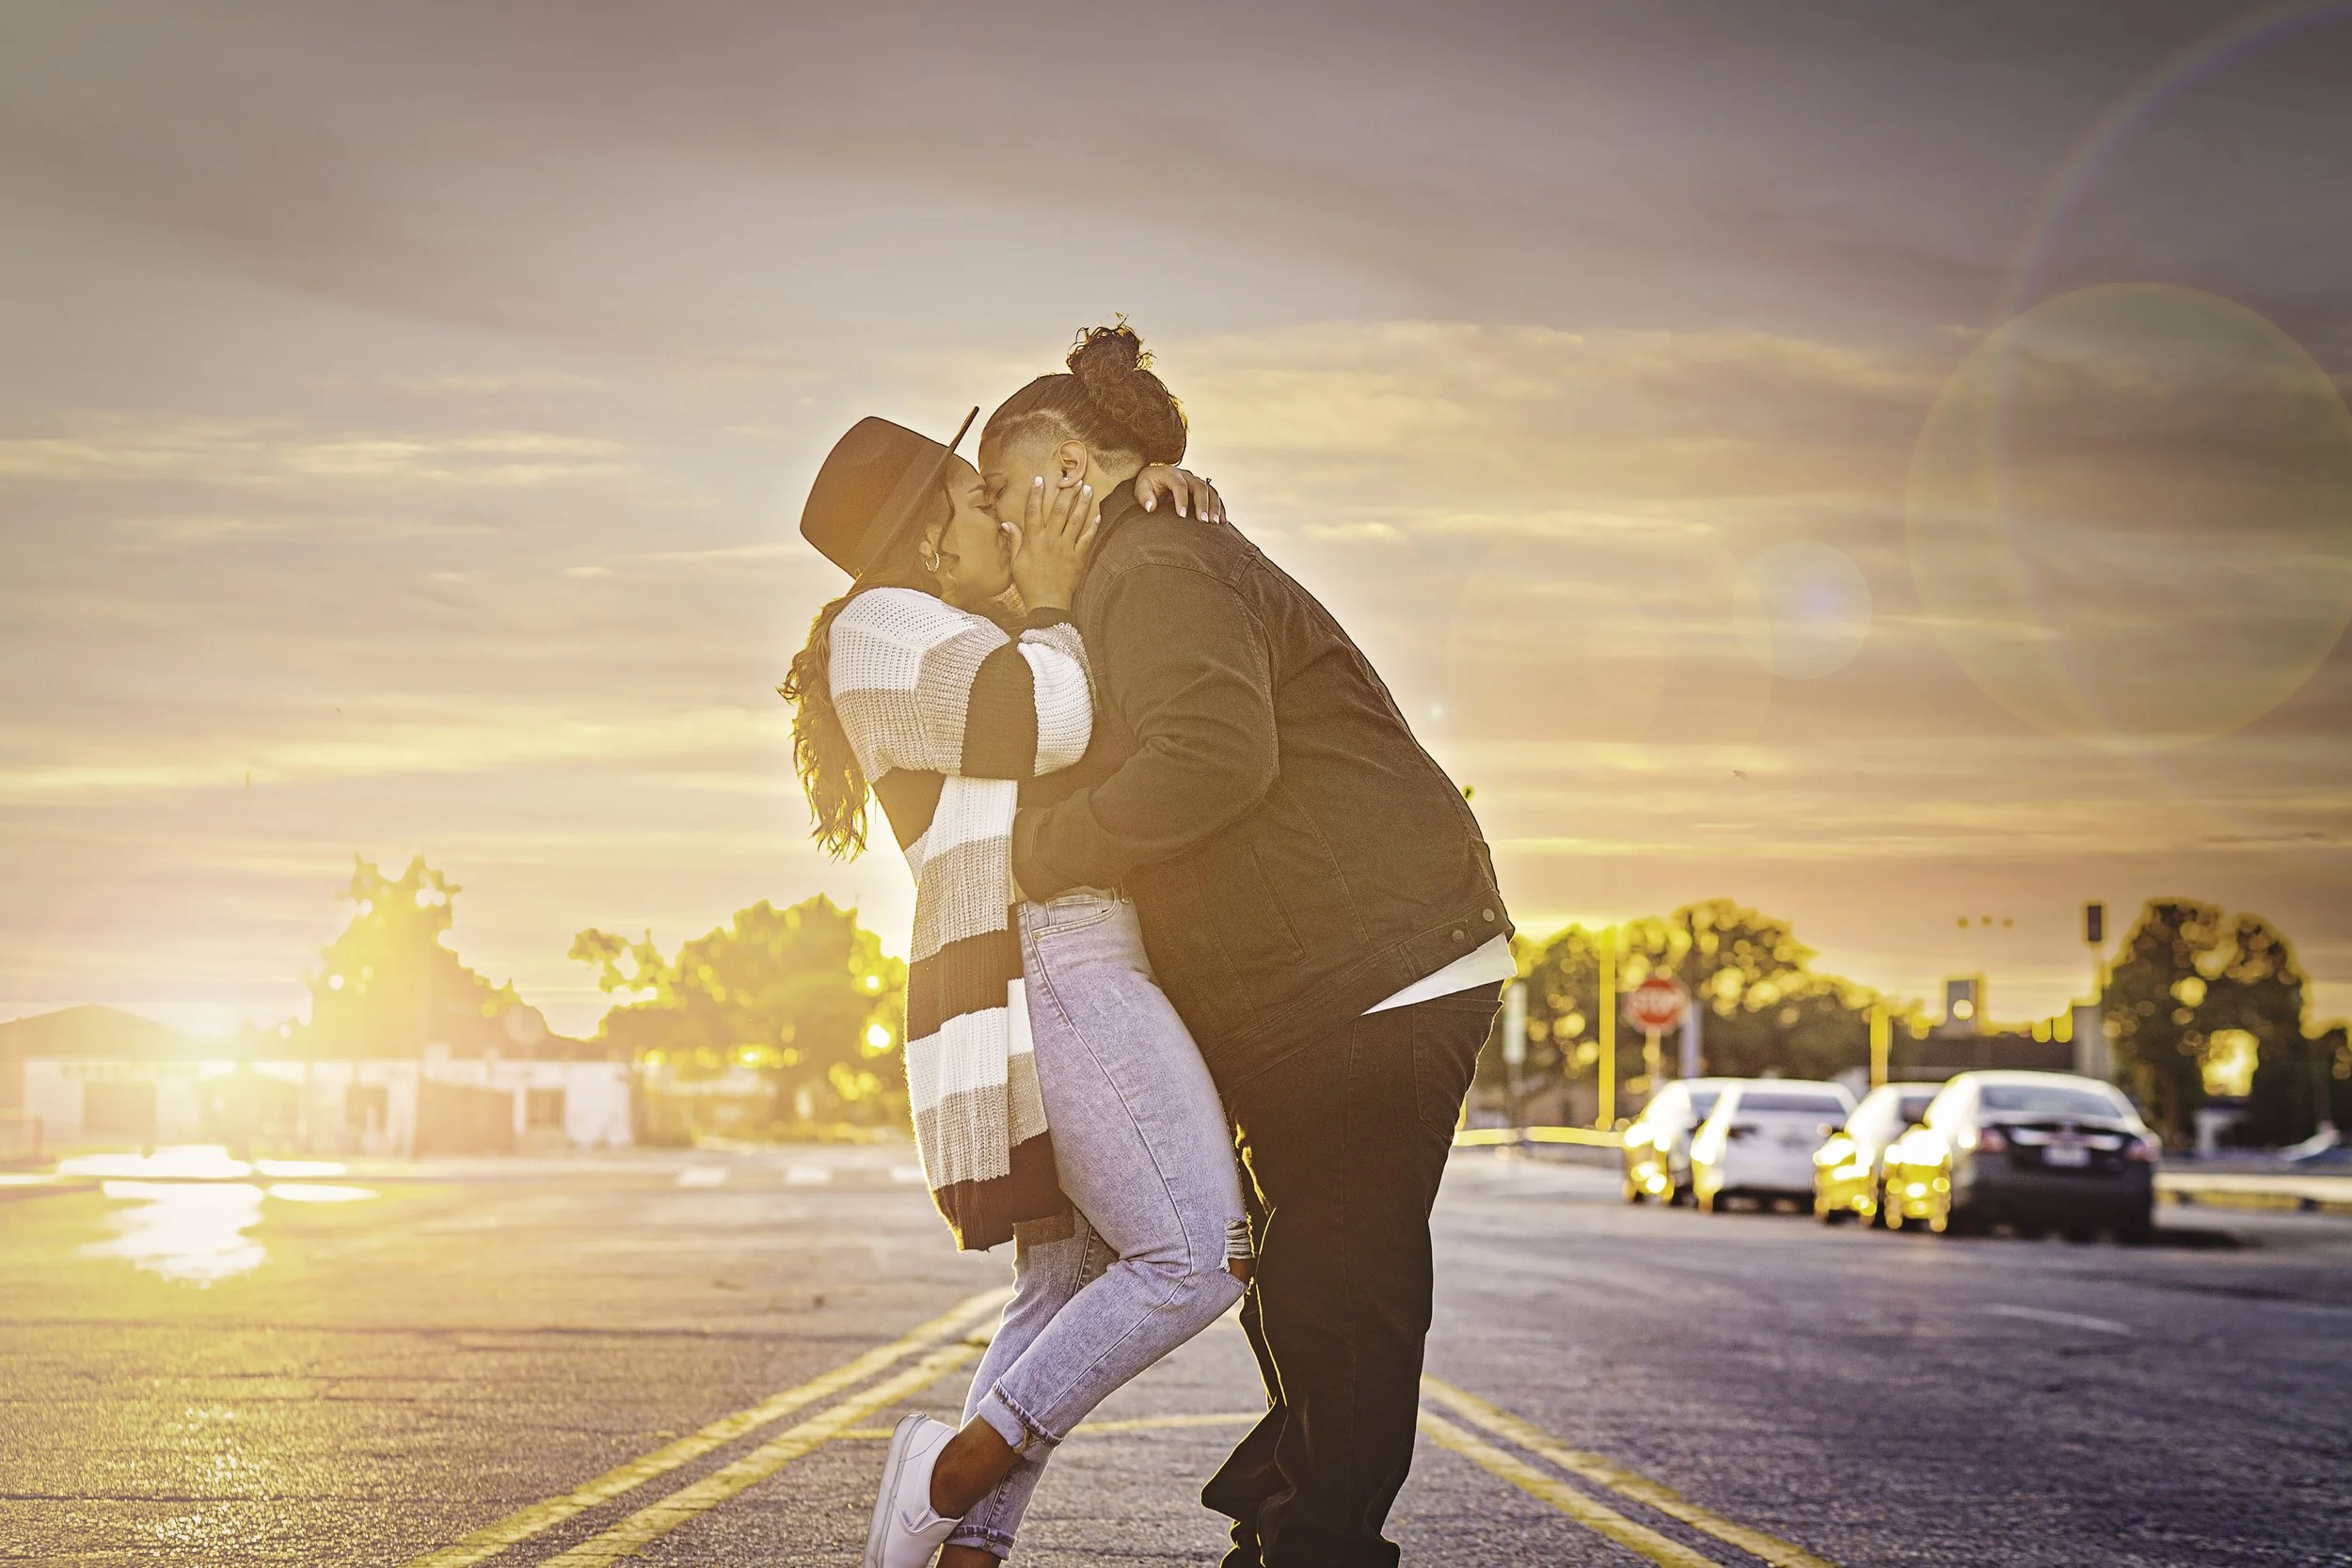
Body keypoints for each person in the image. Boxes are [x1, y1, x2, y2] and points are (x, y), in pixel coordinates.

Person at [980, 325, 1514, 1568]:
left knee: (1340, 1281)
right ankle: (1289, 1521)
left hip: (1370, 967)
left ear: (1071, 460)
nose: (1006, 530)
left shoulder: (1157, 561)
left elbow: (1213, 755)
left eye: (1011, 496)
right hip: (1331, 972)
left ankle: (1318, 1541)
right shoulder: (1140, 557)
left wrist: (1039, 853)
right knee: (1308, 1275)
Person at [779, 408, 1248, 1568]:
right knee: (1198, 1250)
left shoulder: (955, 621)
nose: (1007, 507)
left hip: (1077, 951)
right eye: (978, 495)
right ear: (931, 540)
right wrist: (1044, 595)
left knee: (1072, 1277)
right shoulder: (879, 635)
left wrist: (1152, 486)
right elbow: (1050, 713)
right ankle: (955, 1468)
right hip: (1051, 954)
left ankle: (962, 1548)